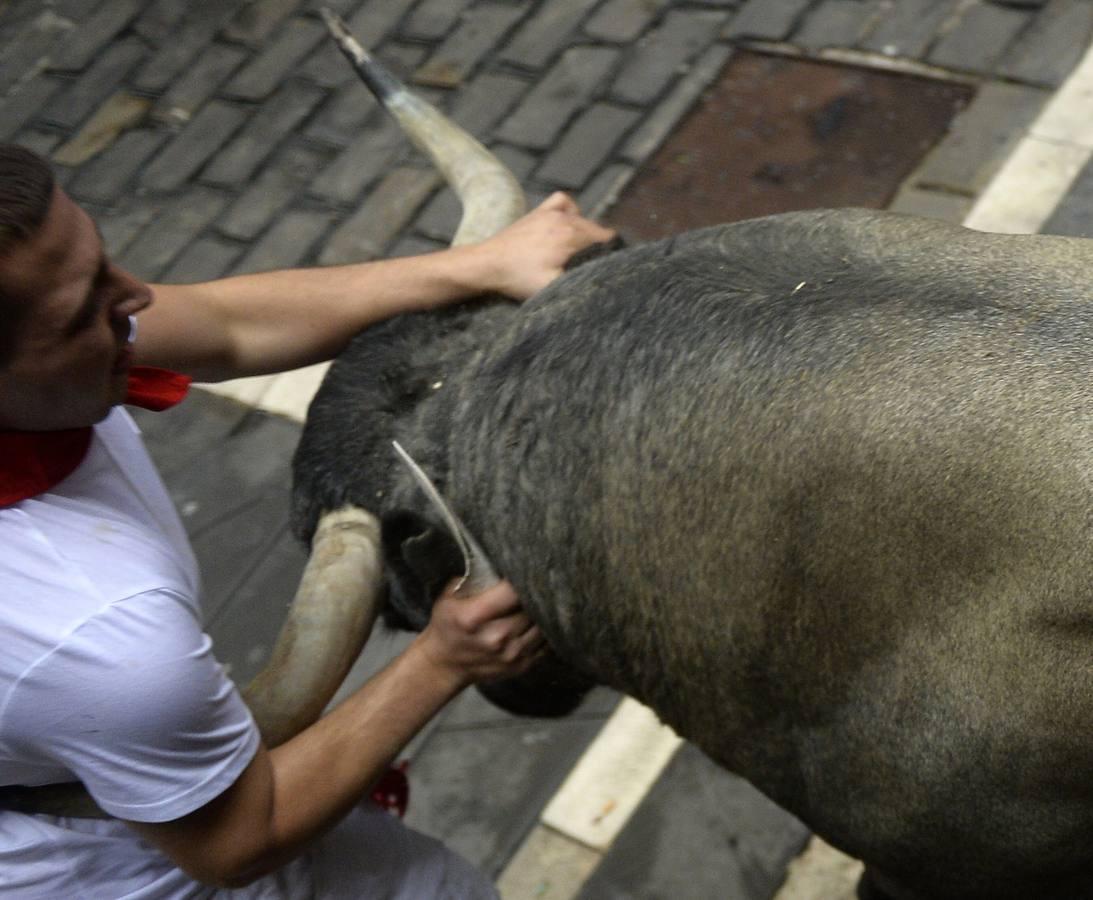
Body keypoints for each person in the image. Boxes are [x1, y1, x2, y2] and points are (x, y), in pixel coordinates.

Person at [0, 143, 615, 897]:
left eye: (104, 265)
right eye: (82, 314)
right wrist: (443, 661)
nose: (136, 300)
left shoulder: (57, 353)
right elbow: (235, 841)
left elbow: (226, 325)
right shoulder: (97, 634)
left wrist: (481, 264)